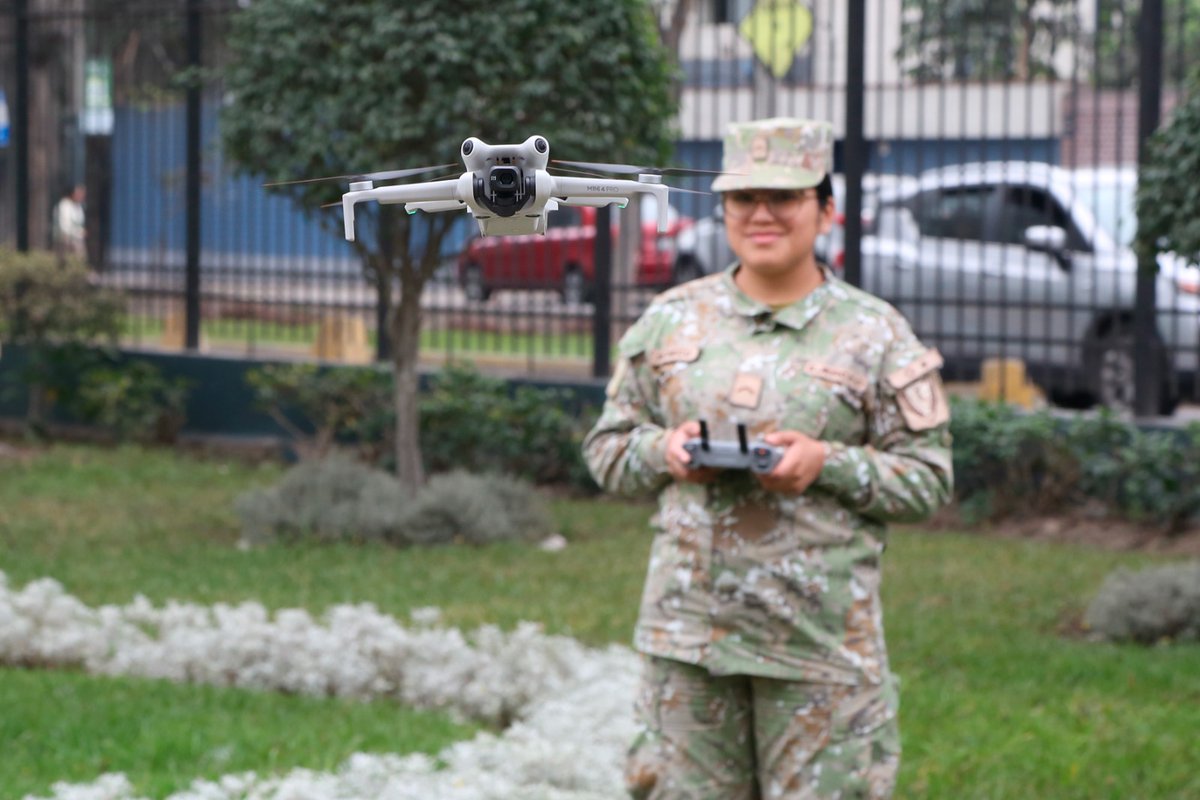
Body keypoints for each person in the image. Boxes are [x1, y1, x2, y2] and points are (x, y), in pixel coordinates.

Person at [582, 117, 953, 800]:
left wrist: (826, 463)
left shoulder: (876, 334)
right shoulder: (670, 320)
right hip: (688, 642)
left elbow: (929, 478)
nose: (761, 214)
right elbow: (606, 448)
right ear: (722, 207)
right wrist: (665, 451)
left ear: (826, 209)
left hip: (816, 647)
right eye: (742, 197)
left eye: (783, 197)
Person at [52, 183, 87, 262]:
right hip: (67, 240)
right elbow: (65, 226)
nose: (82, 196)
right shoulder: (65, 205)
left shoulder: (78, 206)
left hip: (77, 238)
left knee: (80, 259)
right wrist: (77, 232)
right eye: (79, 193)